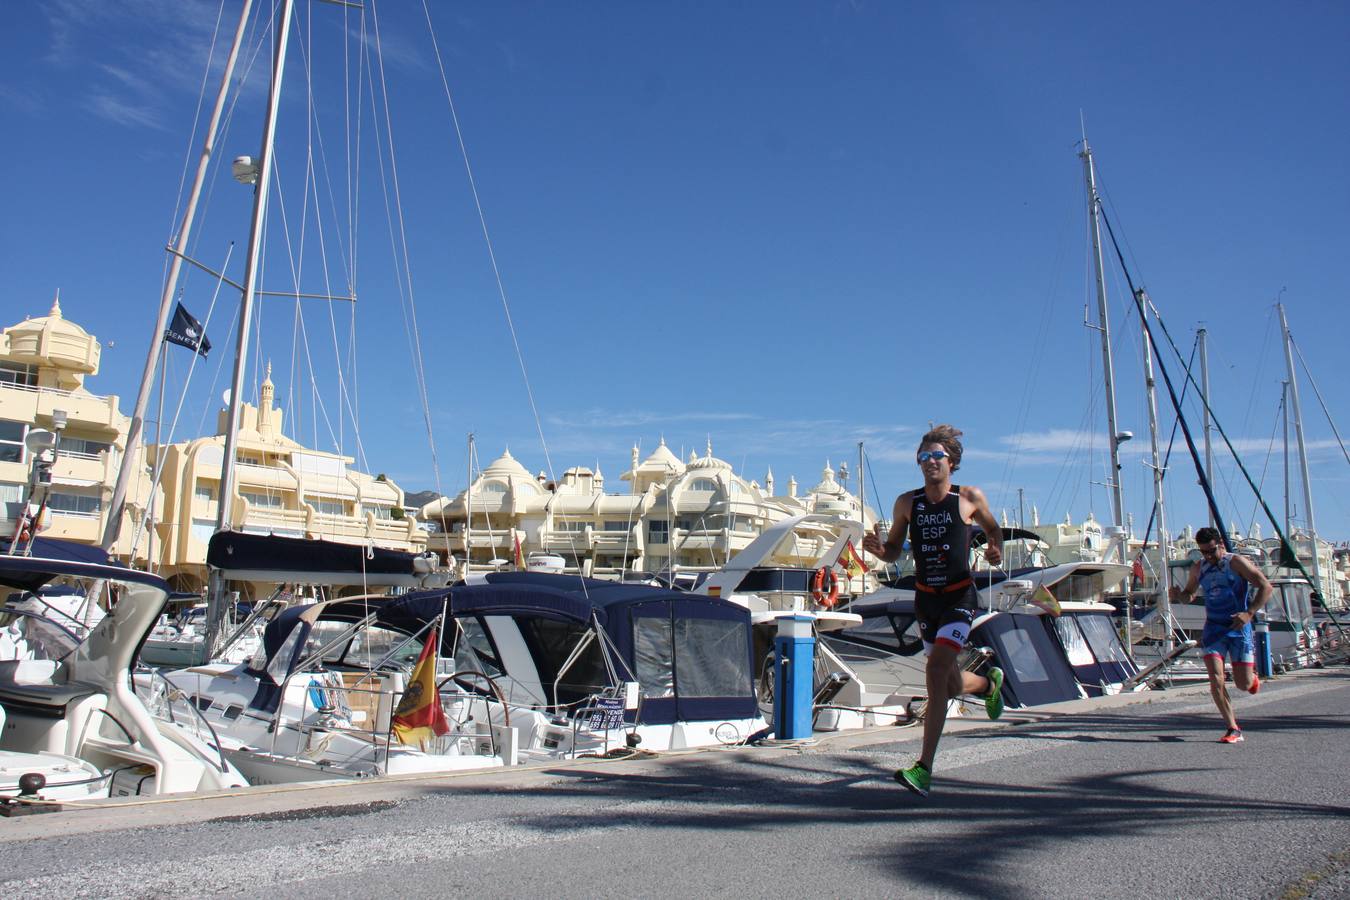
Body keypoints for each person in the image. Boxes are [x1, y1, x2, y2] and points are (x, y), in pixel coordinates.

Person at [862, 424, 1004, 797]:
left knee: (936, 669)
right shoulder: (907, 503)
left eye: (936, 456)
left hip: (959, 598)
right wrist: (881, 551)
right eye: (923, 458)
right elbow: (894, 550)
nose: (929, 463)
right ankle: (989, 683)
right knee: (951, 682)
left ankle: (924, 768)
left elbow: (993, 529)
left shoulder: (968, 497)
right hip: (926, 600)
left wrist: (995, 550)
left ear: (951, 462)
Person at [1168, 526, 1273, 743]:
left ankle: (1251, 679)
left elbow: (1266, 586)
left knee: (1243, 684)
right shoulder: (1199, 568)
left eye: (1212, 551)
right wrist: (1179, 595)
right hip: (1214, 628)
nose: (1208, 556)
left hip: (1238, 627)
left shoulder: (1236, 563)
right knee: (1216, 679)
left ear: (1221, 546)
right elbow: (1189, 595)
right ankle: (1232, 728)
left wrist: (1249, 613)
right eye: (1203, 552)